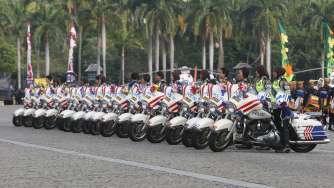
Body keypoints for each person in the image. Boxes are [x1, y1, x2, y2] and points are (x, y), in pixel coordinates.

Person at [272, 67, 291, 153]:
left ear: (279, 72)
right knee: (278, 125)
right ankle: (280, 144)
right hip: (276, 107)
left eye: (275, 71)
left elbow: (288, 92)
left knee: (284, 126)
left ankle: (286, 145)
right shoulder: (275, 81)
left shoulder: (284, 81)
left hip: (284, 107)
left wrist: (284, 103)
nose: (273, 73)